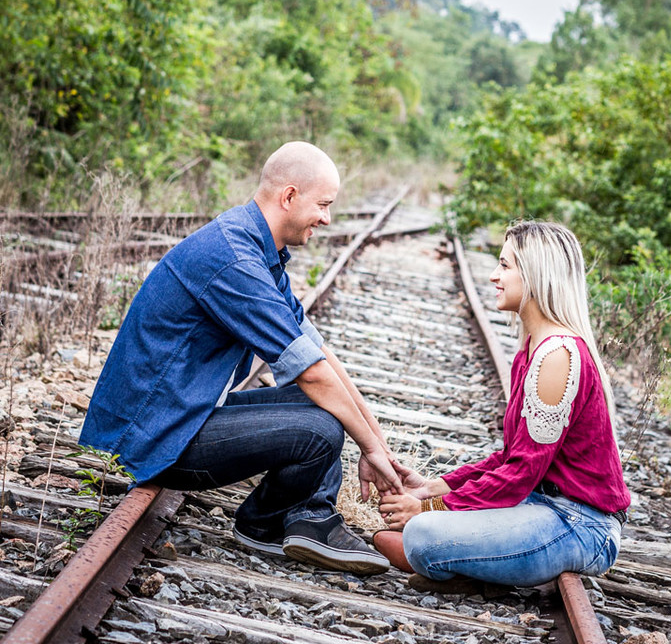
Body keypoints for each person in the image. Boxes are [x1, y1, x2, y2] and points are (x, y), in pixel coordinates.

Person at [80, 141, 402, 575]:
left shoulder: (257, 250)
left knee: (326, 409)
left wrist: (380, 447)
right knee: (321, 427)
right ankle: (265, 524)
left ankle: (309, 517)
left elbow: (319, 353)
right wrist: (366, 446)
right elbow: (312, 373)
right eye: (323, 204)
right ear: (289, 197)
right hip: (155, 434)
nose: (326, 218)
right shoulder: (233, 260)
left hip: (183, 413)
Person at [376, 220, 630, 586]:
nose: (495, 276)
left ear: (537, 274)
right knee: (431, 526)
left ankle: (448, 559)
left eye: (505, 266)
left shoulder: (559, 354)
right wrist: (433, 487)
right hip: (540, 506)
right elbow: (513, 457)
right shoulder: (532, 349)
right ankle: (472, 561)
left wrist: (426, 509)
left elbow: (521, 473)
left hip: (580, 525)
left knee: (422, 534)